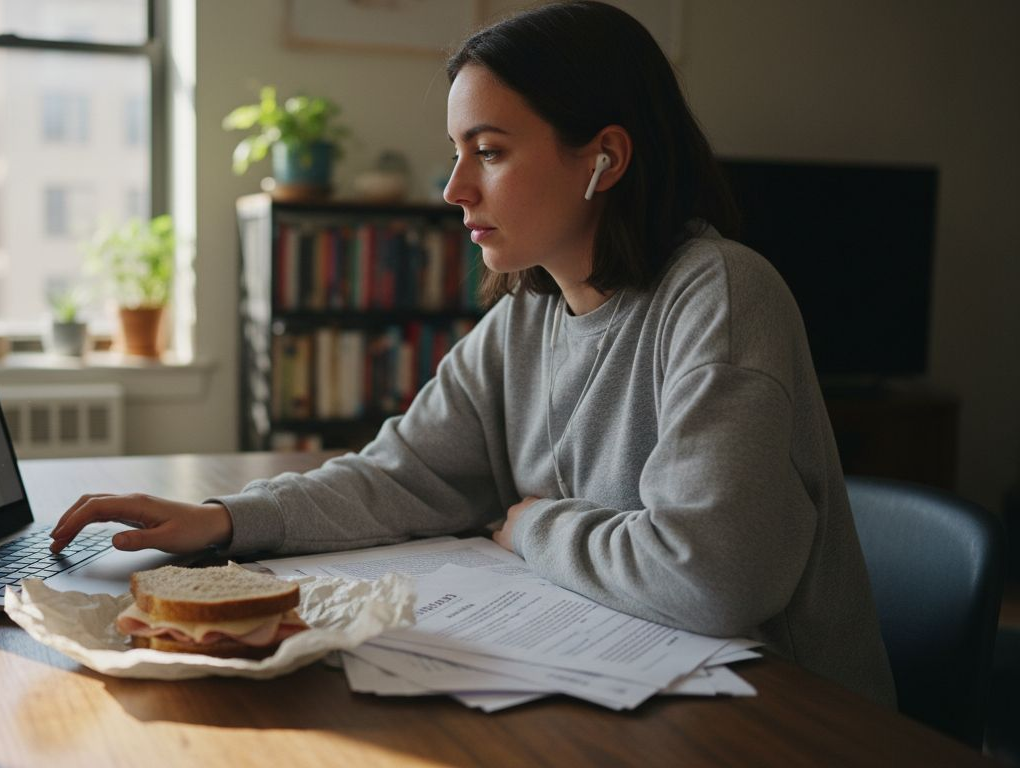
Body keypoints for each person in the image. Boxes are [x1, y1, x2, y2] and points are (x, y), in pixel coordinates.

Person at [50, 1, 895, 707]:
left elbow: (712, 580)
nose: (454, 190)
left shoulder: (721, 295)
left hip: (786, 720)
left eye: (488, 152)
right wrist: (230, 521)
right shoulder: (528, 315)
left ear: (604, 158)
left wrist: (533, 526)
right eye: (456, 154)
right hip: (634, 691)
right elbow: (401, 476)